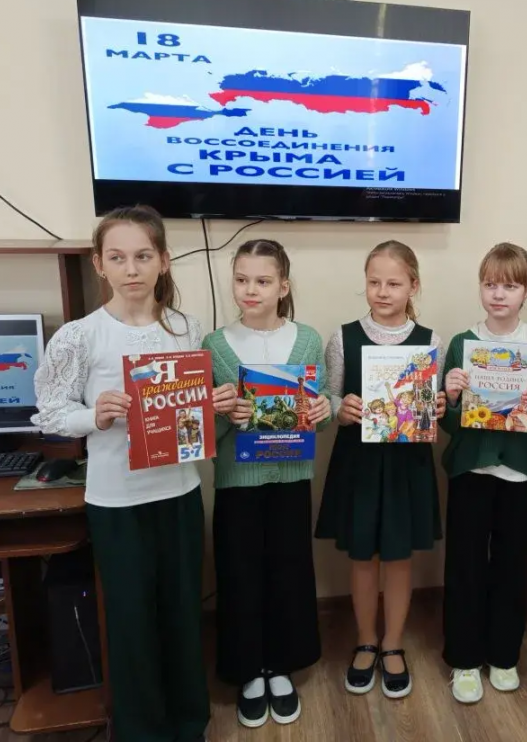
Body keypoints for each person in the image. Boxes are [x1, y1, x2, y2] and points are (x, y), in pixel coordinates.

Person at [32, 205, 239, 742]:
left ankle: (188, 721)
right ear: (99, 264)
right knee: (130, 621)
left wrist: (215, 402)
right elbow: (49, 411)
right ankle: (141, 730)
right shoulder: (80, 336)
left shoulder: (187, 329)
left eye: (143, 256)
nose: (131, 269)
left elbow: (193, 409)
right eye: (118, 257)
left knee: (181, 612)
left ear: (163, 261)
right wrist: (93, 415)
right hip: (117, 502)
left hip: (180, 492)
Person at [201, 239, 331, 728]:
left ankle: (280, 665)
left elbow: (319, 409)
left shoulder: (307, 340)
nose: (249, 290)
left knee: (289, 568)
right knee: (240, 573)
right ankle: (247, 670)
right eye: (241, 279)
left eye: (262, 280)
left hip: (291, 478)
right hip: (237, 481)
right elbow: (205, 431)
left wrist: (324, 408)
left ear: (283, 286)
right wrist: (224, 414)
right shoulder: (214, 345)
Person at [314, 240, 446, 699]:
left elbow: (433, 406)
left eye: (393, 283)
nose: (383, 291)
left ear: (413, 286)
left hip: (407, 463)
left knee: (398, 556)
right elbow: (329, 397)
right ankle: (366, 640)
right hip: (360, 462)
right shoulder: (343, 337)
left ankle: (393, 644)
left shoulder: (430, 340)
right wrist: (341, 407)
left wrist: (438, 406)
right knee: (362, 556)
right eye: (374, 282)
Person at [440, 243, 527, 704]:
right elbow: (449, 423)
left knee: (511, 566)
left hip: (519, 475)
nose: (498, 294)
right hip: (471, 469)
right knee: (465, 565)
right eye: (490, 284)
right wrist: (451, 397)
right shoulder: (462, 344)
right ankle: (465, 659)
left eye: (509, 286)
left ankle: (505, 655)